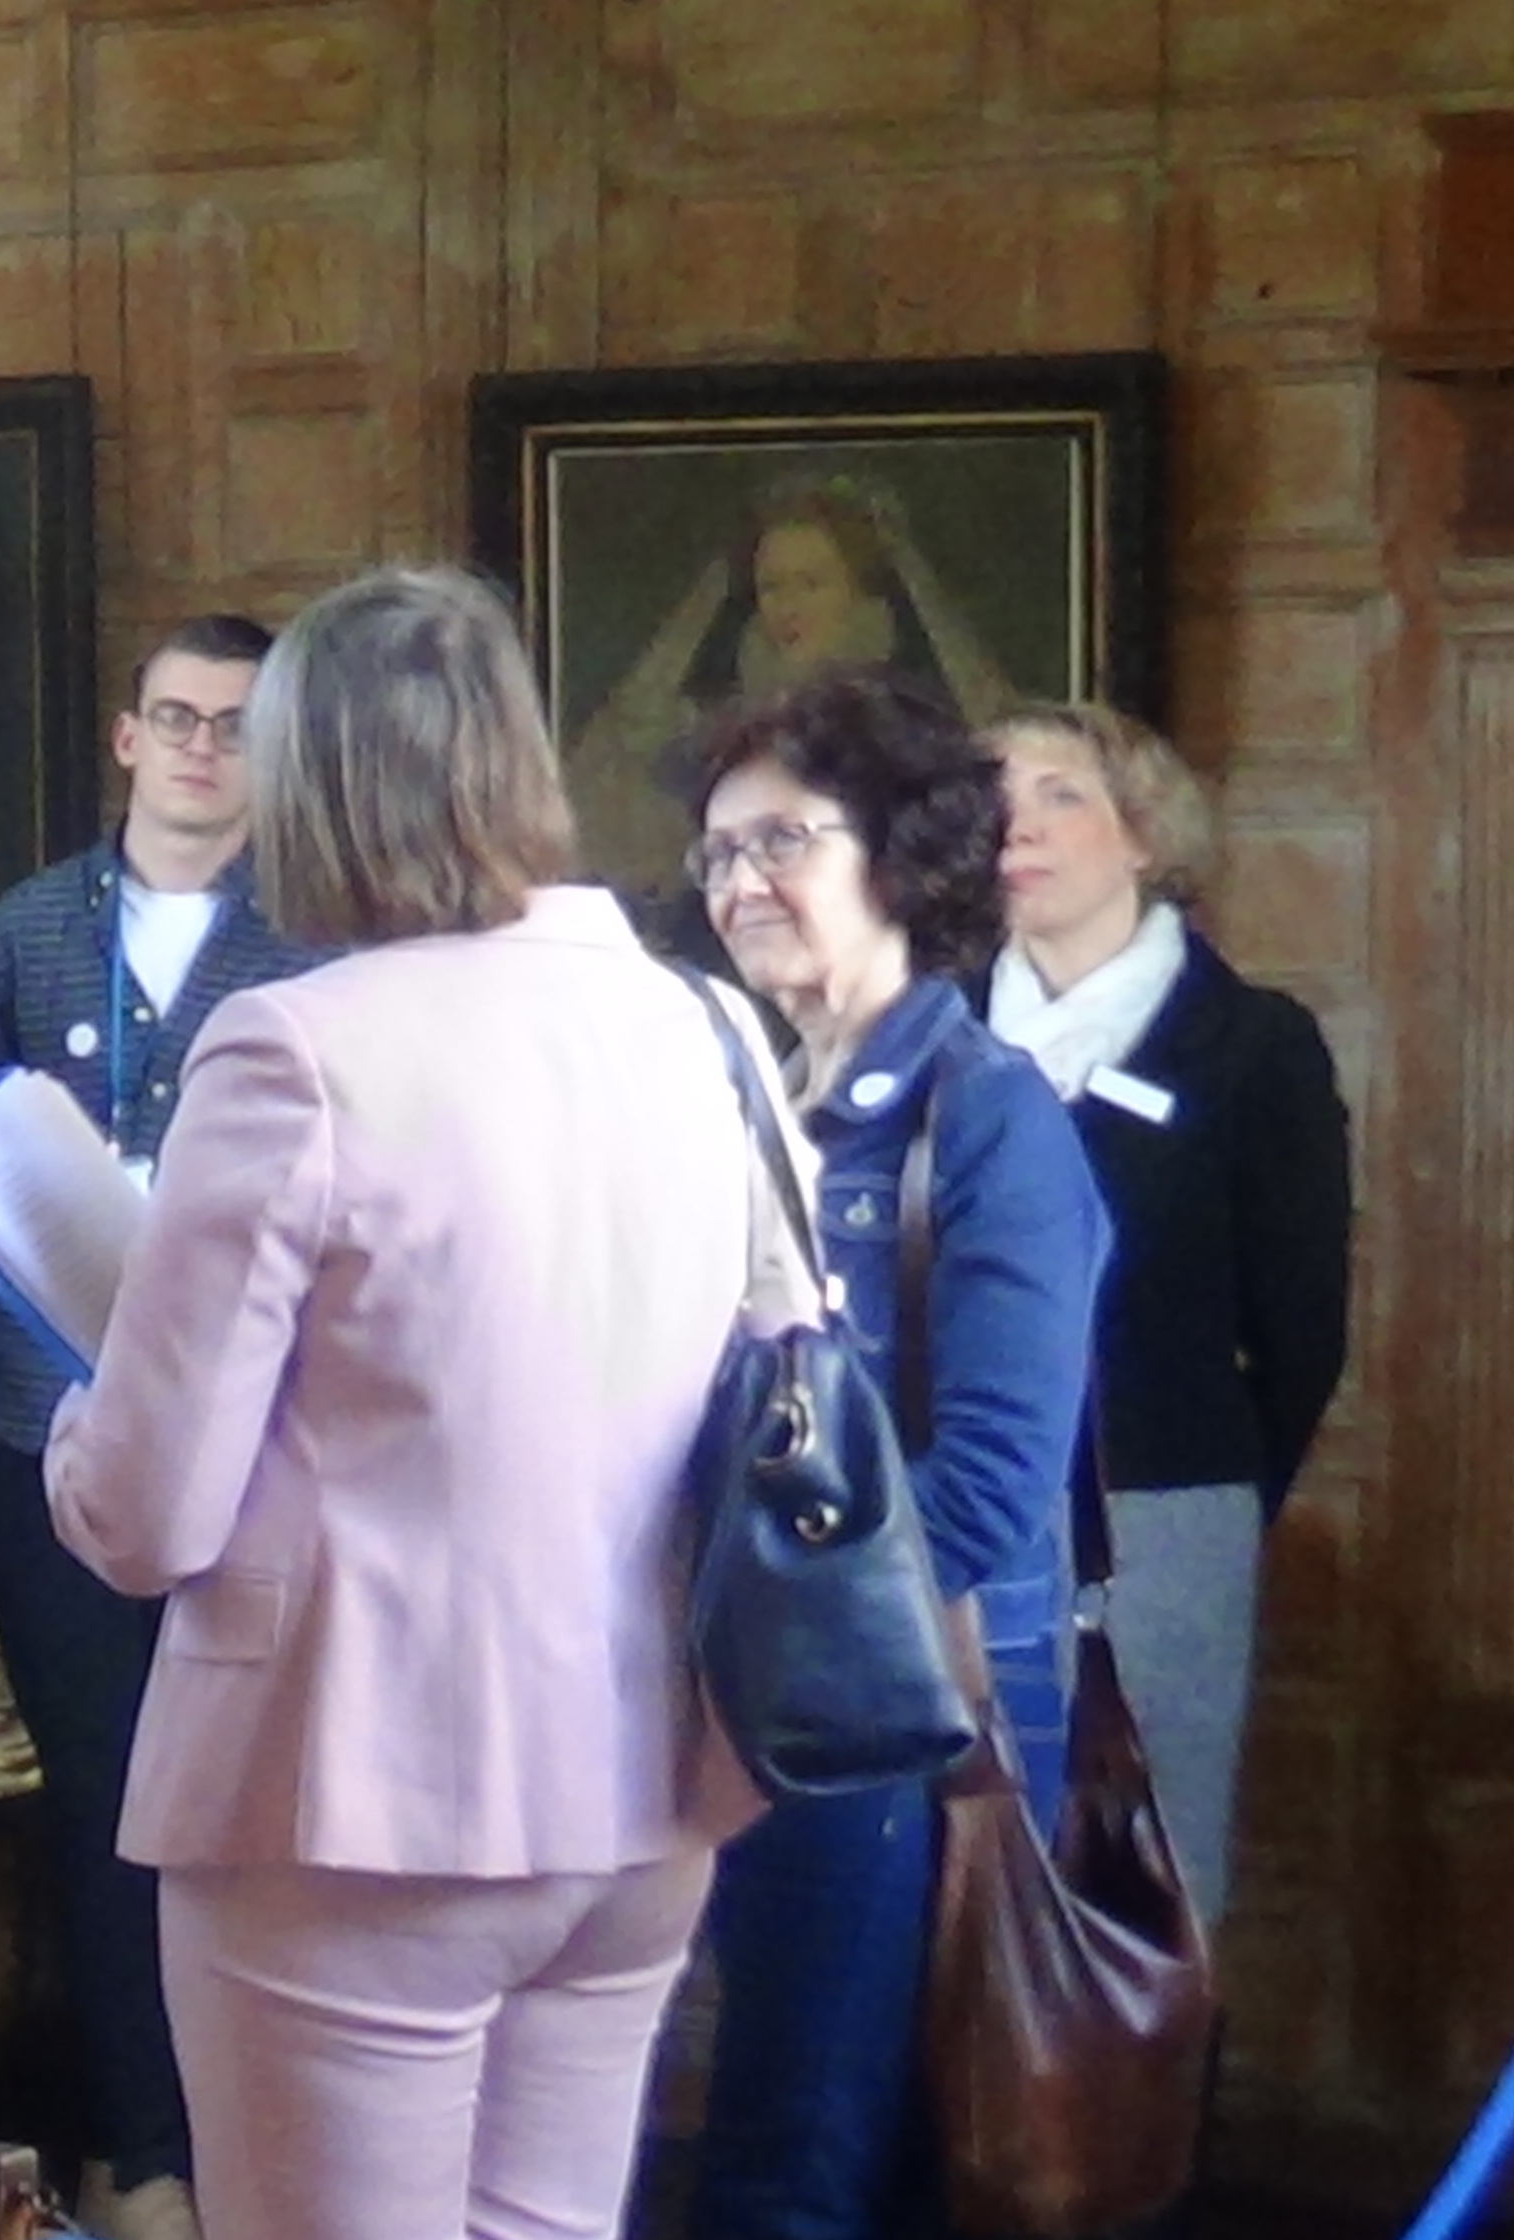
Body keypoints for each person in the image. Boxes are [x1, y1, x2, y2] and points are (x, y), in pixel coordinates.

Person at [42, 565, 766, 2240]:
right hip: (643, 1781)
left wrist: (84, 1421)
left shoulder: (295, 1046)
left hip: (358, 1794)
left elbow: (146, 1519)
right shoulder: (702, 1023)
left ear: (308, 784)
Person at [0, 613, 318, 2240]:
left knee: (236, 1810)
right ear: (127, 739)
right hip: (39, 1426)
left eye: (237, 723)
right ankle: (135, 2163)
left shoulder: (311, 939)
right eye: (177, 718)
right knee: (102, 1805)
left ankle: (238, 2150)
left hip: (249, 1447)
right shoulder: (23, 929)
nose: (204, 747)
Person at [685, 667, 1108, 2240]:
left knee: (803, 2169)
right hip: (761, 1712)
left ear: (905, 858)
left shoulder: (987, 1118)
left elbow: (993, 1486)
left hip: (898, 1720)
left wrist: (778, 1633)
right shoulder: (738, 1105)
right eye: (717, 851)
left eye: (781, 840)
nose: (739, 882)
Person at [982, 700, 1352, 1934]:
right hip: (956, 1519)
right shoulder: (931, 1033)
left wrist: (1204, 1486)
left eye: (1061, 794)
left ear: (1144, 836)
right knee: (962, 1878)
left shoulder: (1251, 1044)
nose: (1019, 825)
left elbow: (1300, 1330)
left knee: (1149, 1882)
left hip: (1164, 1513)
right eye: (997, 797)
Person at [571, 472, 1020, 901]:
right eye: (772, 587)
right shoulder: (718, 726)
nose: (789, 606)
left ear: (858, 593)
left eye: (811, 584)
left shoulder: (910, 718)